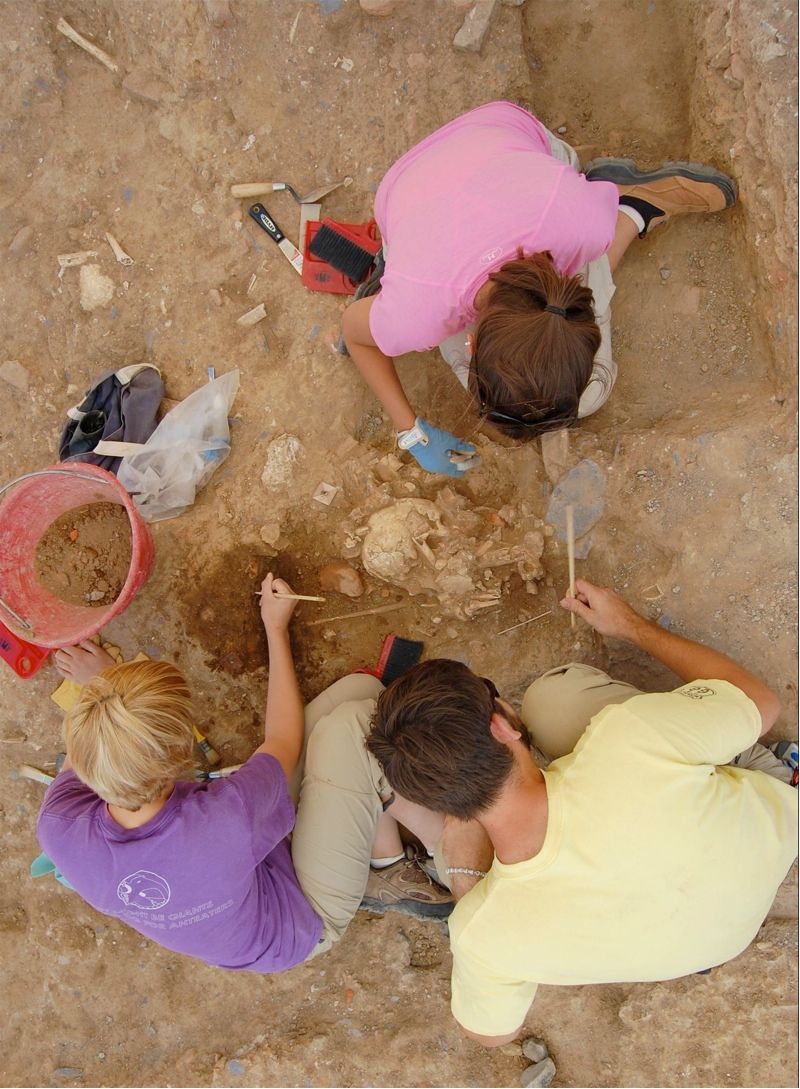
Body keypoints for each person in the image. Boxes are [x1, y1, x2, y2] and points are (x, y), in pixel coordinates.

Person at [367, 578, 798, 1045]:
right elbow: (761, 701)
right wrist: (632, 626)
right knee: (555, 700)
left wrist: (468, 877)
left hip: (714, 943)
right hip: (772, 836)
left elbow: (490, 1033)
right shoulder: (628, 738)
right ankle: (767, 765)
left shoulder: (479, 932)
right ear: (500, 725)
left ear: (438, 800)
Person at [36, 574, 449, 974]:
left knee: (358, 692)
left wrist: (105, 690)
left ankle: (368, 834)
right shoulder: (223, 815)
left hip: (243, 883)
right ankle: (411, 861)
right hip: (304, 921)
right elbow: (282, 740)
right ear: (185, 753)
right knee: (359, 720)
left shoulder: (60, 825)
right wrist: (275, 627)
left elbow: (94, 745)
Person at [341, 101, 736, 475]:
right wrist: (411, 434)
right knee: (589, 397)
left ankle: (632, 207)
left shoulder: (582, 226)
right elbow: (354, 333)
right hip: (439, 168)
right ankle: (631, 207)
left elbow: (359, 334)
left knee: (588, 393)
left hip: (492, 148)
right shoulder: (418, 314)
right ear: (473, 342)